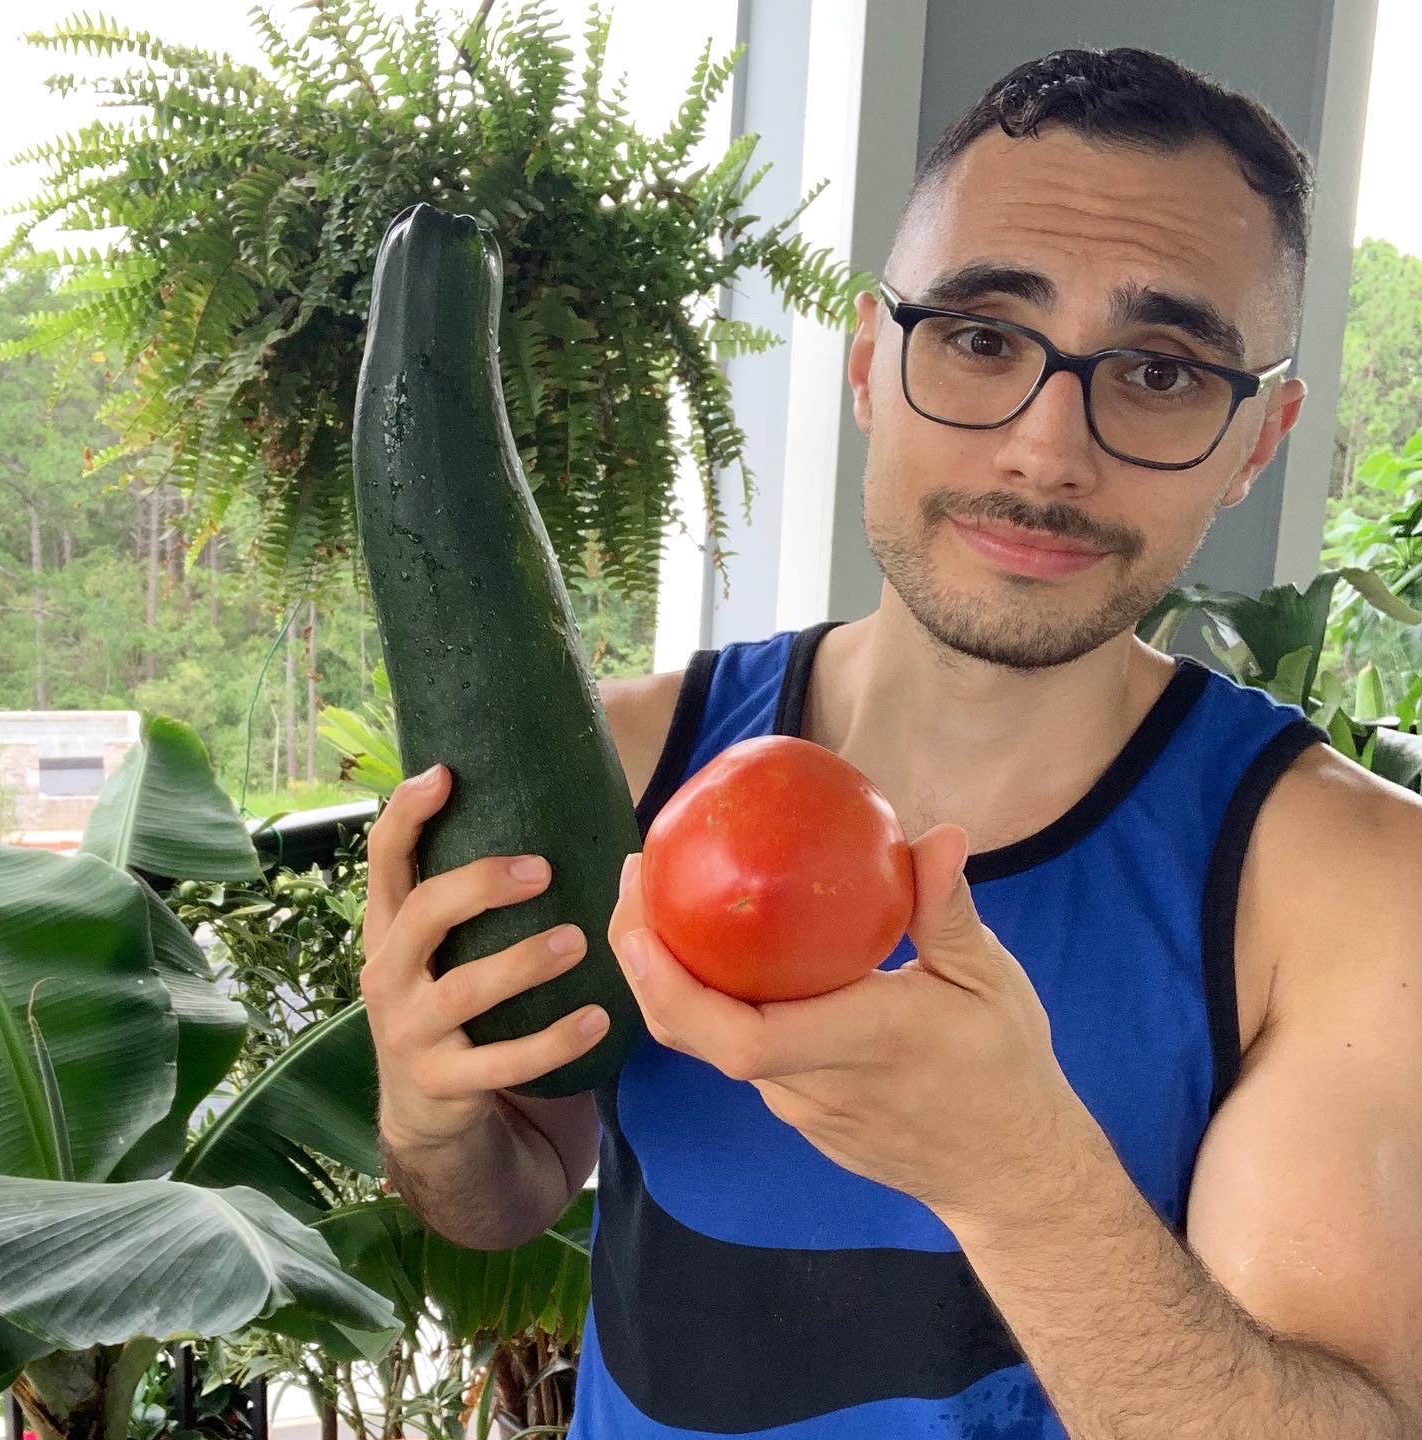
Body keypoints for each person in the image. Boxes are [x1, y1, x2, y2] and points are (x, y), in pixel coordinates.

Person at [359, 46, 1422, 1440]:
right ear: (871, 360)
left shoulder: (1353, 890)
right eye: (982, 338)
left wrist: (1023, 1182)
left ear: (1257, 441)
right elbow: (514, 1188)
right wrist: (432, 1122)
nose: (1046, 450)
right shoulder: (629, 763)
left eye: (1160, 370)